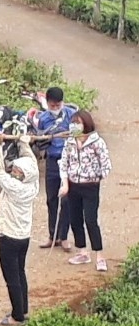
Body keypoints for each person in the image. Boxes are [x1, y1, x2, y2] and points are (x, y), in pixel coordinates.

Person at [0, 134, 39, 326]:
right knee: (20, 273)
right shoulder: (32, 184)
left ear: (22, 175)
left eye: (18, 170)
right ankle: (22, 309)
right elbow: (32, 162)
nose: (14, 170)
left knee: (12, 278)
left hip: (9, 237)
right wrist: (23, 143)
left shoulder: (14, 186)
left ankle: (17, 316)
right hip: (23, 237)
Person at [60, 109, 112, 271]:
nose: (74, 126)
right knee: (75, 220)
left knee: (90, 220)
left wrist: (96, 177)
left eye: (78, 123)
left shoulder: (97, 142)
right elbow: (63, 163)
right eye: (73, 123)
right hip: (73, 185)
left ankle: (99, 255)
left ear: (86, 124)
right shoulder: (70, 142)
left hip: (90, 187)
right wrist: (65, 184)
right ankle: (83, 252)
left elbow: (106, 165)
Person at [34, 87, 77, 251]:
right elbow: (40, 140)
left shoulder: (71, 115)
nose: (55, 108)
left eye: (57, 105)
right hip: (52, 161)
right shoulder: (43, 118)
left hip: (69, 161)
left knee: (66, 199)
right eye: (52, 105)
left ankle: (64, 237)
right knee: (51, 199)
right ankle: (52, 236)